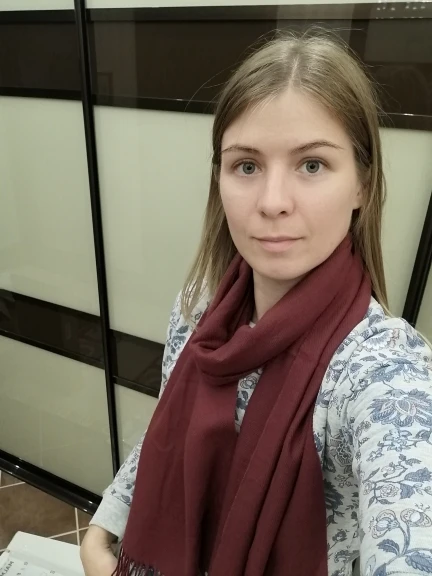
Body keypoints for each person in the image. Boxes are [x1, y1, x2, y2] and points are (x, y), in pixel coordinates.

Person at [80, 32, 432, 576]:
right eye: (246, 166)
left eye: (311, 165)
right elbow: (166, 432)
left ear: (363, 184)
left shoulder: (380, 369)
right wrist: (105, 526)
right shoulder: (199, 309)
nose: (272, 203)